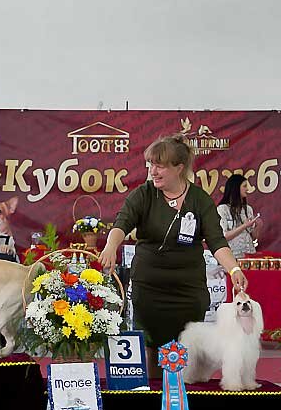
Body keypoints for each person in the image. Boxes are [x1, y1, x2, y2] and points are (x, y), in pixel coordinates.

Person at [98, 133, 248, 348]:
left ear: (179, 168)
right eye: (150, 164)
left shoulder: (200, 200)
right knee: (150, 348)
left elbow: (217, 242)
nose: (152, 171)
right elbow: (121, 224)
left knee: (187, 355)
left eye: (160, 166)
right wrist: (111, 246)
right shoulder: (143, 194)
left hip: (188, 292)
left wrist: (234, 270)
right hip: (149, 290)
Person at [217, 173, 261, 259]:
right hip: (232, 257)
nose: (247, 189)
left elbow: (253, 237)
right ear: (236, 188)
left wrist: (258, 227)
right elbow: (224, 236)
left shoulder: (248, 209)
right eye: (244, 186)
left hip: (249, 254)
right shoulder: (222, 209)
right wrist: (244, 226)